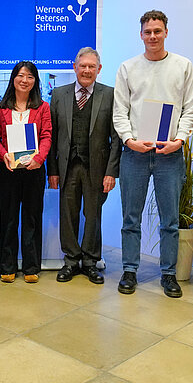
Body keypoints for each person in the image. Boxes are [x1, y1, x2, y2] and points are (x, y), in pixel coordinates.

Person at [113, 10, 193, 298]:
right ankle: (129, 269)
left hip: (169, 154)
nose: (152, 36)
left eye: (157, 31)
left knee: (170, 219)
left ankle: (169, 273)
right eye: (148, 32)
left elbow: (190, 110)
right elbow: (120, 111)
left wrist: (180, 140)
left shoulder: (183, 66)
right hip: (135, 153)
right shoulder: (127, 68)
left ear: (166, 33)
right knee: (130, 217)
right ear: (141, 35)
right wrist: (128, 139)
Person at [48, 48, 120, 284]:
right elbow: (51, 135)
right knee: (67, 214)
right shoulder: (59, 94)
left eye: (92, 66)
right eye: (83, 66)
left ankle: (90, 262)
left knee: (93, 215)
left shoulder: (109, 95)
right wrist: (53, 171)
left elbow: (116, 137)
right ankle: (70, 260)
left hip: (96, 169)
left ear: (99, 69)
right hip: (67, 167)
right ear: (74, 67)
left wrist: (112, 172)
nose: (87, 70)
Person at [0, 61, 52, 283]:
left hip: (34, 170)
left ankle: (31, 266)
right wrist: (3, 154)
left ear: (35, 81)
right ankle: (7, 266)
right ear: (13, 78)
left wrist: (38, 159)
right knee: (8, 218)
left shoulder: (42, 108)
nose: (24, 80)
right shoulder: (1, 109)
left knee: (32, 218)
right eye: (20, 75)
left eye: (29, 76)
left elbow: (46, 136)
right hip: (8, 170)